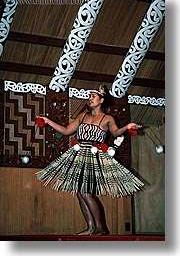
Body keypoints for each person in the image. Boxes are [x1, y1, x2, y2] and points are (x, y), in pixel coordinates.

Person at [36, 85, 144, 235]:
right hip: (79, 154)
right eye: (89, 96)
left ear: (101, 99)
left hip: (95, 157)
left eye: (93, 96)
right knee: (80, 193)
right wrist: (47, 121)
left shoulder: (108, 118)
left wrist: (127, 126)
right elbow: (66, 131)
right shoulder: (82, 116)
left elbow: (116, 131)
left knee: (85, 192)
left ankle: (101, 228)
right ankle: (91, 227)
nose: (90, 98)